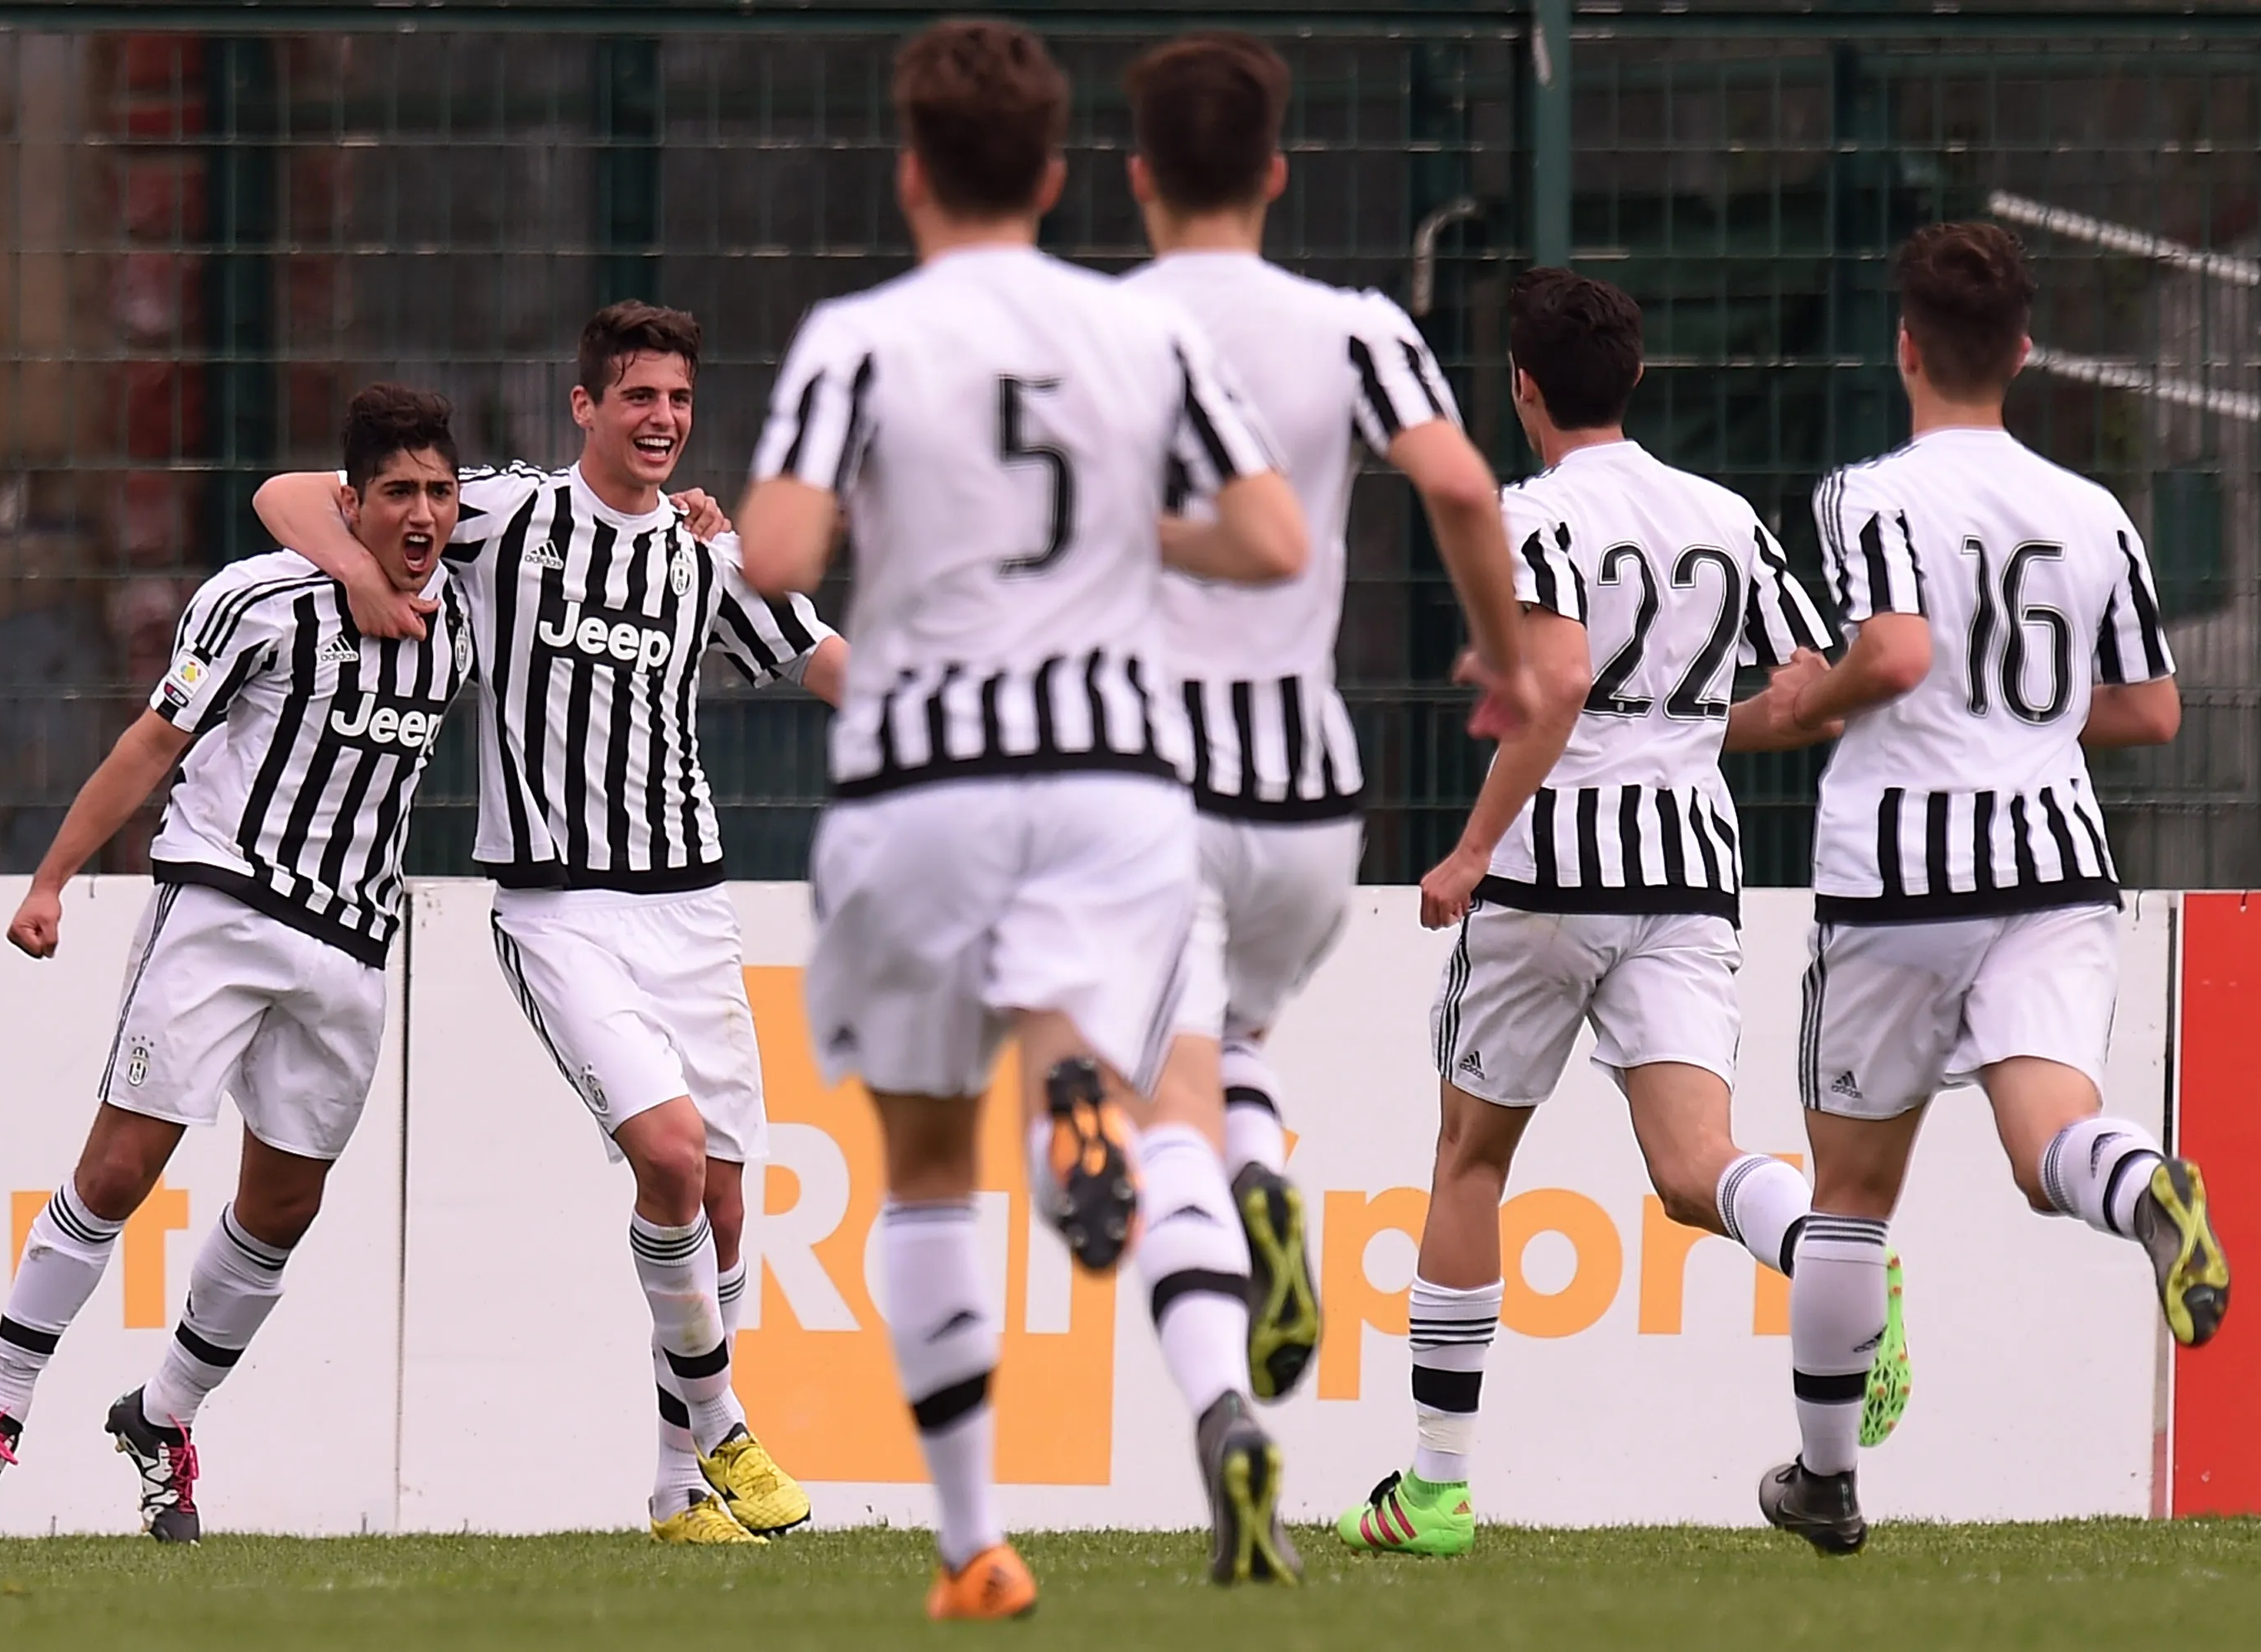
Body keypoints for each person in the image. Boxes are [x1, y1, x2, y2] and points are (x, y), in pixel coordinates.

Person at [737, 19, 1313, 1618]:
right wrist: (1121, 537)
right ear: (1059, 176)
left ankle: (974, 1544)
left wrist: (921, 516)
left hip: (923, 774)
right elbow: (1271, 540)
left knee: (927, 1171)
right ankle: (1095, 1130)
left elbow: (775, 558)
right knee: (1161, 1090)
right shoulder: (1139, 337)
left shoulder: (861, 337)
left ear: (910, 173)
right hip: (1115, 783)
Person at [252, 304, 842, 1547]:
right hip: (561, 908)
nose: (662, 421)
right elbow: (291, 495)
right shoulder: (510, 516)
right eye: (637, 398)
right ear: (585, 407)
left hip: (693, 906)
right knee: (671, 1158)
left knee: (725, 1205)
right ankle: (726, 1427)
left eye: (678, 401)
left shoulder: (701, 557)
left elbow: (813, 651)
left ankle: (680, 1495)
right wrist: (367, 578)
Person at [1332, 267, 1875, 1555]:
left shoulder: (1535, 514)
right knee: (1696, 1172)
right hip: (1686, 870)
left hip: (1546, 871)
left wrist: (1469, 851)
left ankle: (1438, 1489)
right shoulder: (1725, 516)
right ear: (1633, 379)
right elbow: (1819, 688)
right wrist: (1695, 736)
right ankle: (1831, 1254)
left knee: (1472, 1158)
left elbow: (1559, 681)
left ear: (1522, 386)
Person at [0, 385, 478, 1541]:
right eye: (398, 493)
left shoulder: (467, 612)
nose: (423, 512)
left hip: (351, 943)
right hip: (222, 903)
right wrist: (50, 880)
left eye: (439, 490)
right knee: (122, 1168)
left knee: (283, 1207)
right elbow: (157, 738)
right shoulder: (261, 601)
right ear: (354, 501)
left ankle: (164, 1418)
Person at [1759, 222, 2227, 1555]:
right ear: (2022, 353)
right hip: (2057, 869)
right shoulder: (2096, 512)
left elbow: (1895, 655)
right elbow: (2151, 711)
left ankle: (1828, 1480)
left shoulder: (1869, 494)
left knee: (1848, 1196)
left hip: (1903, 878)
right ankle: (2149, 1193)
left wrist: (1814, 697)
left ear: (1906, 348)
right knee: (2049, 1148)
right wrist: (2017, 718)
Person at [1116, 30, 1537, 1406]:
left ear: (1138, 180)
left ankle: (1242, 1267)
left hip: (1138, 774)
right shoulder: (1359, 325)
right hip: (1304, 784)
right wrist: (1501, 656)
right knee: (1233, 1051)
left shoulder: (1091, 335)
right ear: (1277, 174)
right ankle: (1265, 1189)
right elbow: (1466, 490)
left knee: (1154, 1088)